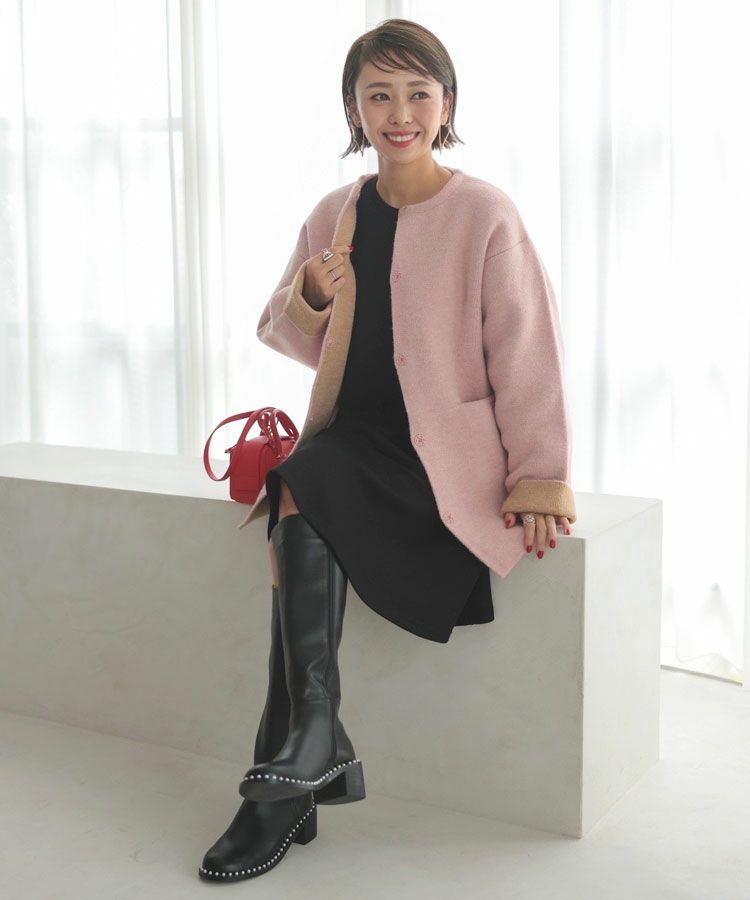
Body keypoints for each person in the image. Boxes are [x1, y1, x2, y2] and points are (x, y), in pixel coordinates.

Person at [199, 17, 576, 883]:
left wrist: (540, 480)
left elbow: (527, 352)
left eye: (417, 93)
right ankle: (309, 743)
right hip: (354, 440)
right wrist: (310, 293)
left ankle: (294, 771)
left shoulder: (485, 213)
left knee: (301, 487)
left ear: (447, 104)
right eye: (379, 95)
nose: (399, 113)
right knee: (308, 474)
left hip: (439, 461)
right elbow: (283, 333)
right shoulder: (334, 214)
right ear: (353, 109)